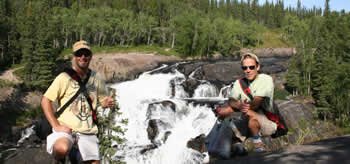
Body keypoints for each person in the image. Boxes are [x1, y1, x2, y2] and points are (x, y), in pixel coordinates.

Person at [41, 40, 115, 164]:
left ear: (90, 56)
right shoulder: (64, 77)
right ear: (74, 56)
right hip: (67, 129)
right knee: (62, 148)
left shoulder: (96, 78)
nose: (83, 57)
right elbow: (45, 101)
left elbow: (102, 100)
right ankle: (59, 160)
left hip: (88, 130)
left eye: (86, 54)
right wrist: (56, 126)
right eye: (79, 54)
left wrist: (106, 103)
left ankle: (75, 155)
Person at [217, 53, 277, 152]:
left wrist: (230, 110)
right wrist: (238, 105)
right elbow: (231, 100)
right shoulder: (239, 83)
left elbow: (255, 104)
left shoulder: (266, 80)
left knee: (251, 118)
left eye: (251, 67)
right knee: (225, 127)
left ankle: (258, 144)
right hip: (245, 121)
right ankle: (237, 148)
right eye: (245, 68)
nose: (248, 70)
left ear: (258, 67)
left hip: (265, 121)